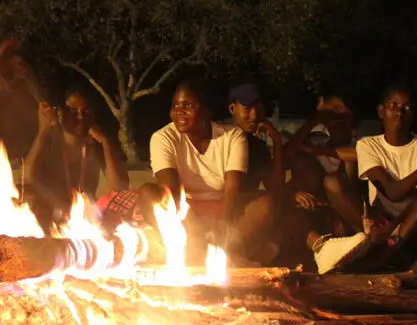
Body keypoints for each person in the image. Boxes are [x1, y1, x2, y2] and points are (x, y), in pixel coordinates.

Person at [308, 83, 417, 273]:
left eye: (406, 107)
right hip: (380, 222)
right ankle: (397, 255)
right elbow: (392, 192)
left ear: (413, 114)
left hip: (414, 223)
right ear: (381, 111)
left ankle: (387, 253)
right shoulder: (368, 145)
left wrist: (393, 230)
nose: (399, 111)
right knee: (332, 182)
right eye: (393, 105)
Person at [145, 79, 275, 265]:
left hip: (224, 207)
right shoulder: (162, 138)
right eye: (175, 105)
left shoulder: (232, 136)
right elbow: (170, 190)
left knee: (266, 204)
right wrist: (195, 228)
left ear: (206, 110)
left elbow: (232, 190)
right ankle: (220, 256)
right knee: (148, 194)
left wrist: (222, 226)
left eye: (188, 105)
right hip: (185, 211)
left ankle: (210, 255)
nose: (179, 111)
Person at [24, 87, 129, 225]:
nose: (80, 117)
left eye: (86, 111)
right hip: (50, 210)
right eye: (73, 111)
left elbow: (119, 187)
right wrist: (44, 130)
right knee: (30, 198)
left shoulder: (96, 144)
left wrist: (106, 143)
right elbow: (27, 178)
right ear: (59, 112)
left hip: (85, 213)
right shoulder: (49, 141)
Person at [284, 90, 363, 234]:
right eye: (331, 115)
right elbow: (287, 155)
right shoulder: (317, 141)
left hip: (350, 210)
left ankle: (366, 234)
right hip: (318, 207)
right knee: (303, 164)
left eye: (340, 114)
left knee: (335, 178)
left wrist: (318, 151)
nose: (335, 119)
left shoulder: (360, 144)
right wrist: (311, 122)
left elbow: (360, 155)